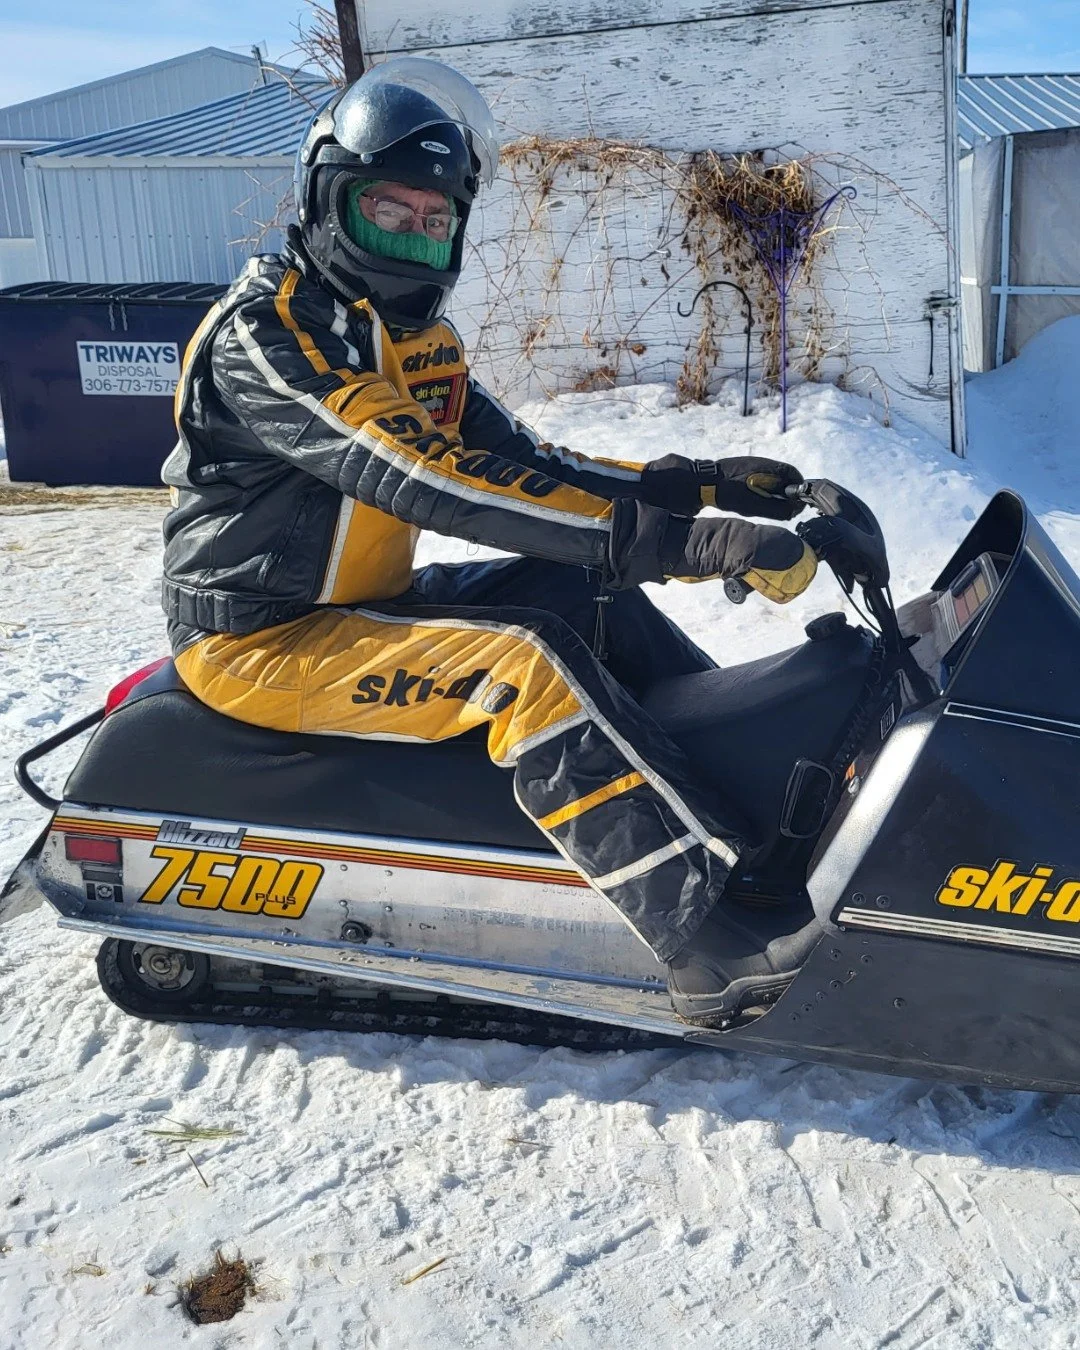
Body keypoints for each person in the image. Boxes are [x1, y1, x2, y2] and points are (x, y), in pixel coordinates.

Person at [161, 58, 819, 1018]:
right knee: (524, 667)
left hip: (362, 609)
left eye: (436, 217)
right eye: (389, 207)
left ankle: (745, 818)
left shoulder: (414, 341)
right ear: (328, 198)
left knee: (583, 597)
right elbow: (420, 475)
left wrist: (696, 486)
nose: (414, 231)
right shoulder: (267, 336)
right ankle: (711, 945)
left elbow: (522, 461)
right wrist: (689, 546)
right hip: (261, 637)